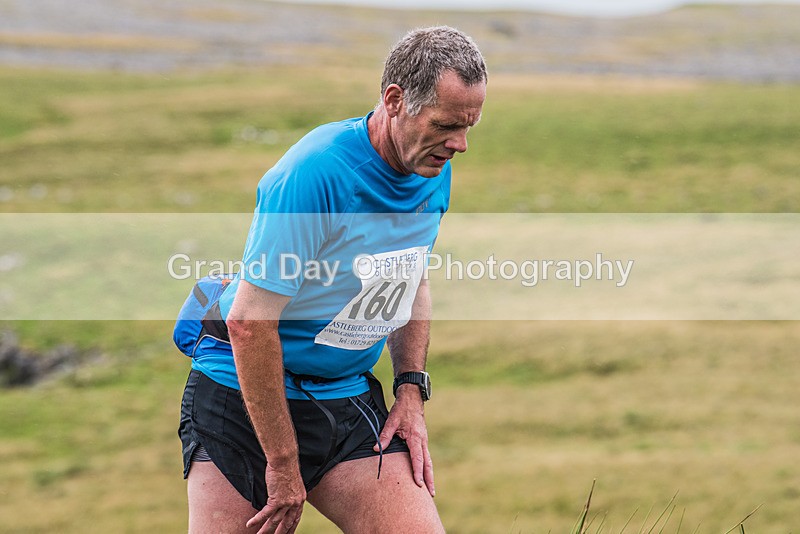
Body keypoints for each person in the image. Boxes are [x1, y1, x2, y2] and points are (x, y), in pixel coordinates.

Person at [178, 26, 487, 533]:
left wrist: (410, 389)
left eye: (470, 126)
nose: (460, 144)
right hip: (243, 399)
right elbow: (249, 322)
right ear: (395, 100)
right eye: (447, 124)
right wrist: (281, 464)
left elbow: (411, 277)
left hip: (342, 399)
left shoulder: (433, 164)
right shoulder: (314, 172)